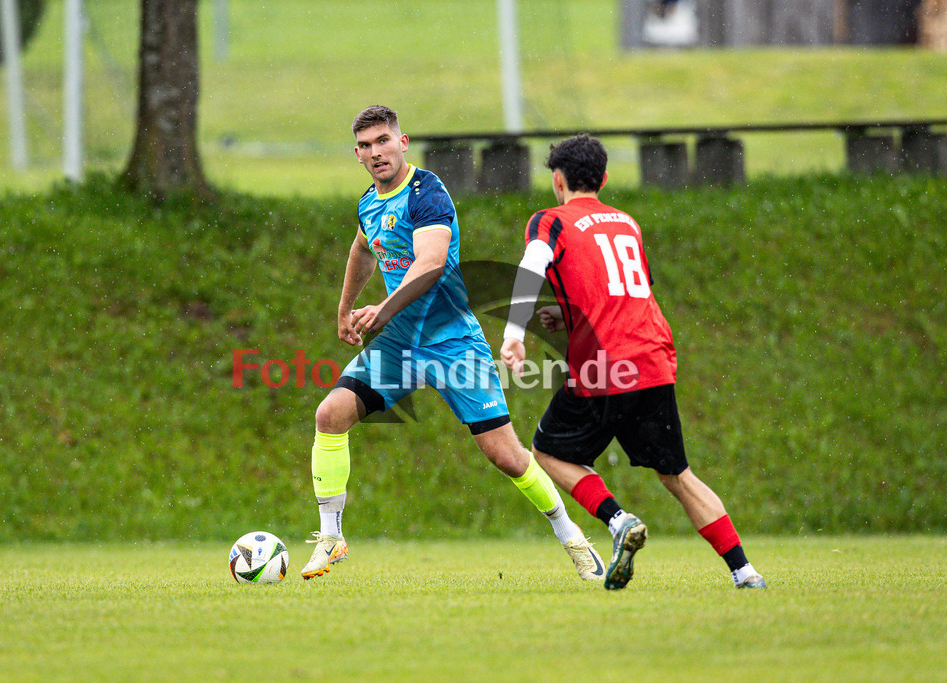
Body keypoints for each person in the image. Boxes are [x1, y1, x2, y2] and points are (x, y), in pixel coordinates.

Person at [300, 105, 604, 582]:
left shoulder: (428, 193)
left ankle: (573, 538)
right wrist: (345, 307)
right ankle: (331, 537)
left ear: (403, 143)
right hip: (400, 345)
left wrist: (382, 309)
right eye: (365, 145)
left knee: (505, 455)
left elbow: (432, 263)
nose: (375, 152)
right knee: (329, 414)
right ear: (356, 154)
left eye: (384, 141)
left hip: (452, 344)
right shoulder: (368, 203)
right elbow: (363, 248)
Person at [499, 134, 766, 590]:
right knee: (678, 475)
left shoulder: (551, 220)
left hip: (603, 367)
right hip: (653, 359)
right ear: (602, 178)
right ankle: (746, 572)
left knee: (547, 452)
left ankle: (617, 519)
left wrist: (514, 333)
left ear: (558, 180)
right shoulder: (627, 223)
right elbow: (623, 292)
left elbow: (533, 262)